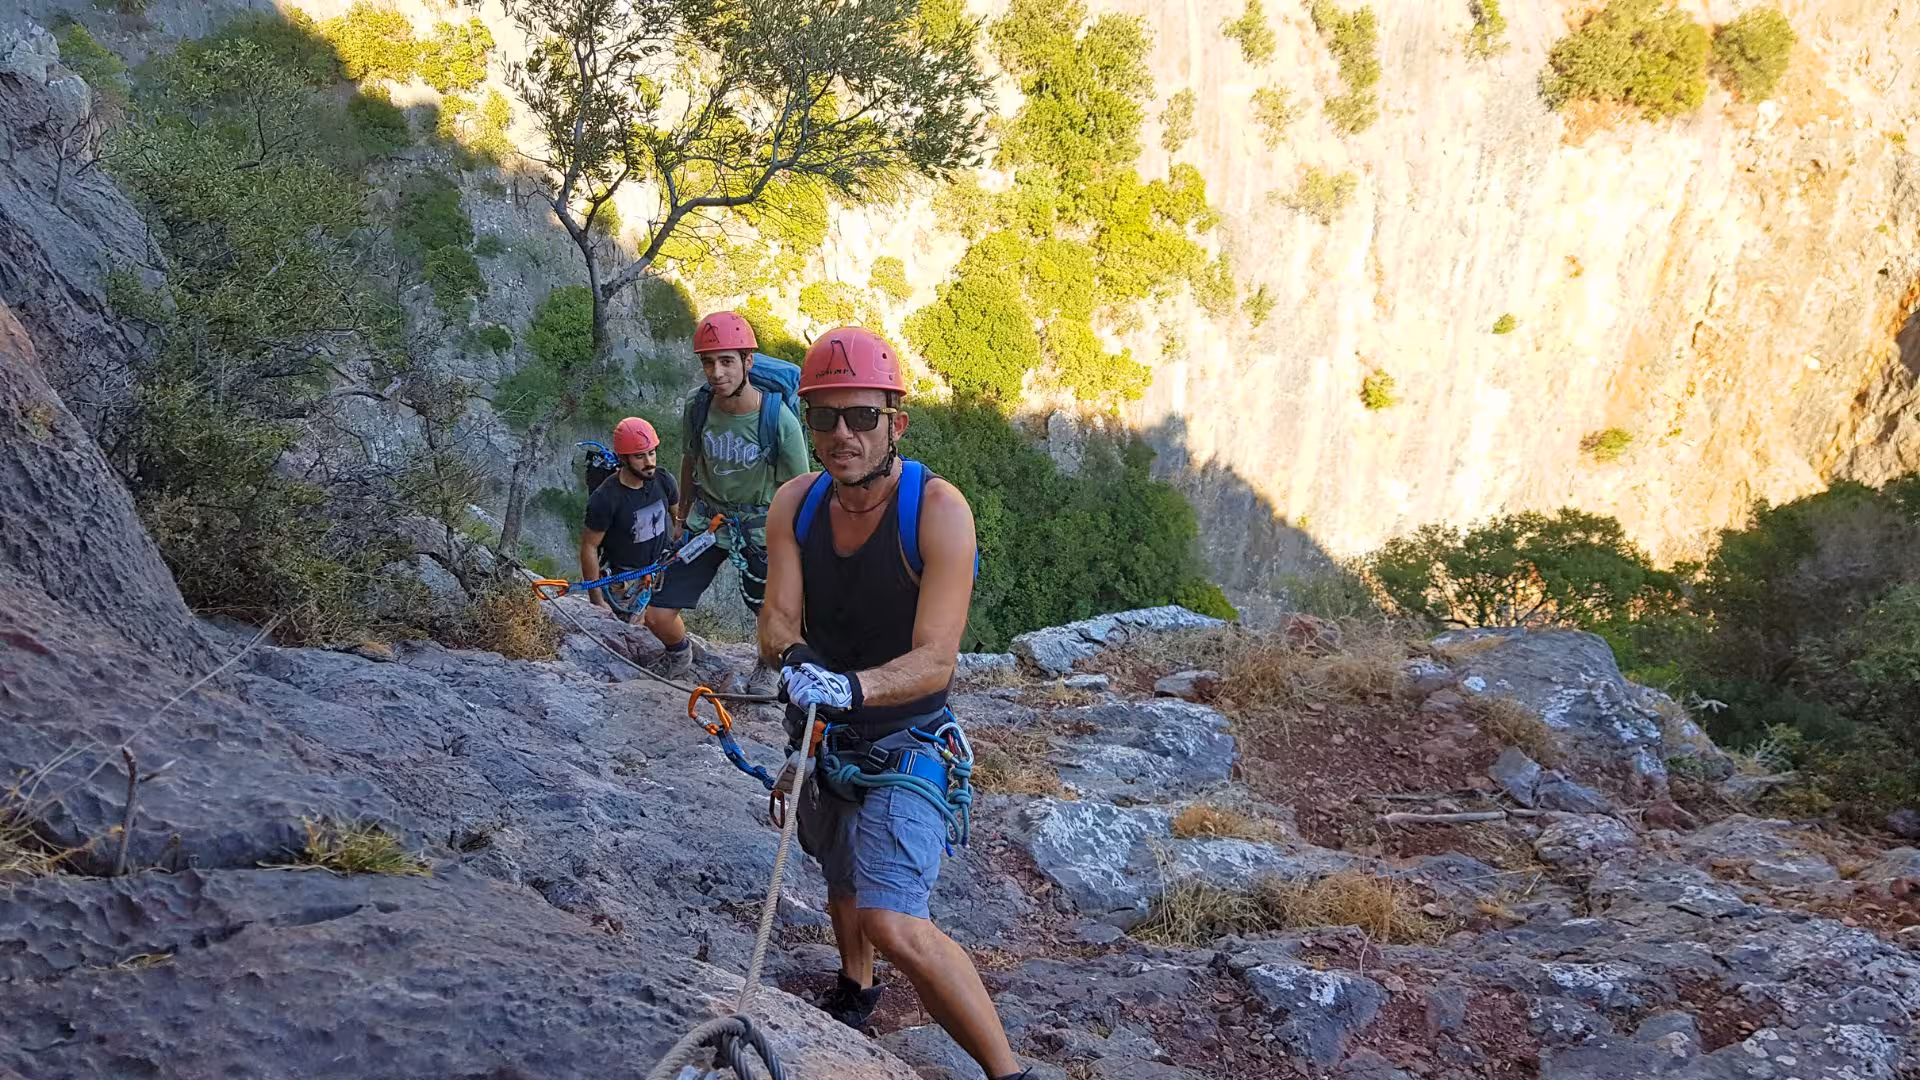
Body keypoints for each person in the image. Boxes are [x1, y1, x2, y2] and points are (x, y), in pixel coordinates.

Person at [758, 326, 1029, 1080]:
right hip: (824, 734)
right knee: (840, 875)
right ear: (808, 425)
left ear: (895, 423)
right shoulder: (796, 505)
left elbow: (936, 657)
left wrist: (850, 687)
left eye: (862, 417)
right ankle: (857, 987)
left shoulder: (937, 511)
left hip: (906, 738)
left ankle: (1009, 1072)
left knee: (892, 918)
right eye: (825, 418)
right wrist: (804, 662)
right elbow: (777, 622)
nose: (842, 434)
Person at [644, 311, 807, 680]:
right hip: (707, 523)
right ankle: (681, 651)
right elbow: (691, 459)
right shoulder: (697, 406)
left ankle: (767, 666)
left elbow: (800, 488)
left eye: (727, 361)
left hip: (759, 529)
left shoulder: (779, 420)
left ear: (748, 362)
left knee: (773, 614)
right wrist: (680, 518)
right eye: (708, 362)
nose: (717, 372)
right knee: (657, 615)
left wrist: (795, 545)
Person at [579, 417, 678, 622]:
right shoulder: (606, 498)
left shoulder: (663, 480)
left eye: (652, 453)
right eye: (639, 456)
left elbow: (678, 517)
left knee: (661, 627)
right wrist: (596, 599)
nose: (649, 462)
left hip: (659, 571)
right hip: (623, 582)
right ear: (624, 458)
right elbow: (589, 546)